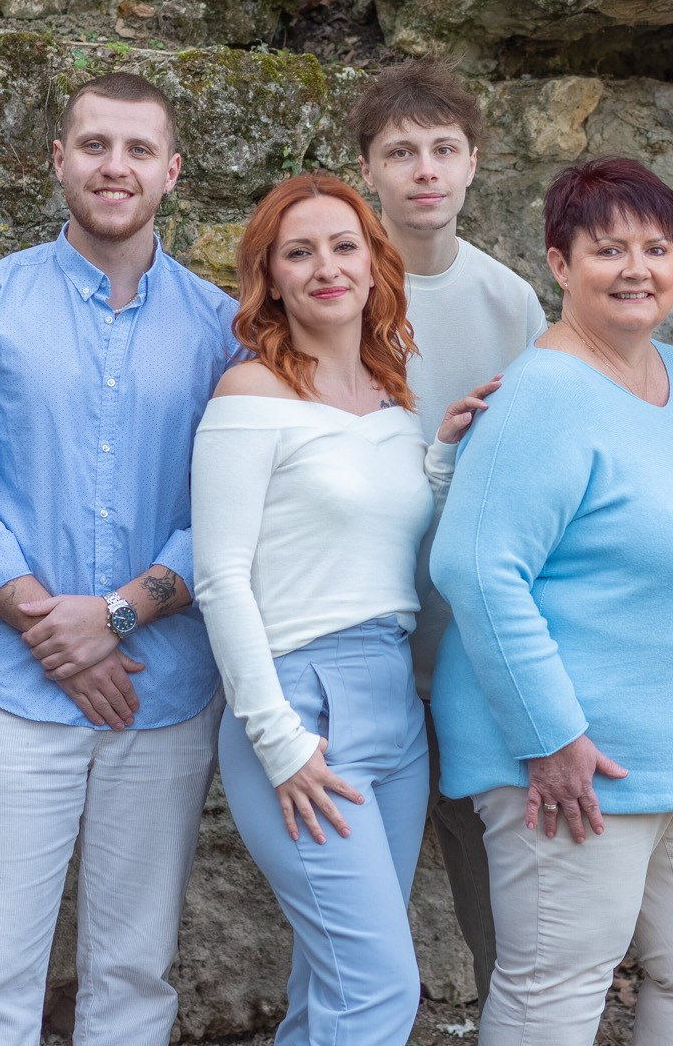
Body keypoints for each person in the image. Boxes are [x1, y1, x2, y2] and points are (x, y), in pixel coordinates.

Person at [0, 72, 238, 1045]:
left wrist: (118, 616)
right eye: (94, 145)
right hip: (14, 691)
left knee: (135, 980)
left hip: (163, 695)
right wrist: (57, 629)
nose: (114, 166)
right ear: (58, 160)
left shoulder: (225, 331)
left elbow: (235, 506)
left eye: (138, 150)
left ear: (170, 173)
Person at [429, 157, 673, 1045]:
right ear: (558, 263)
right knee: (557, 988)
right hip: (575, 765)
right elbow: (476, 568)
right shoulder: (541, 396)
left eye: (656, 247)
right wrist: (548, 737)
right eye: (607, 249)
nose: (637, 268)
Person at [190, 172, 497, 1045]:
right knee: (379, 990)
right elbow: (220, 577)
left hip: (392, 705)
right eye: (299, 251)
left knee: (330, 988)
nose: (325, 265)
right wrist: (278, 737)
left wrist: (437, 459)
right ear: (272, 279)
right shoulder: (248, 397)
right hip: (301, 705)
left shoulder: (391, 398)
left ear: (373, 264)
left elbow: (383, 543)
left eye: (343, 245)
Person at [348, 58, 547, 1008]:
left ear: (473, 164)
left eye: (443, 149)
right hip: (358, 621)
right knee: (362, 866)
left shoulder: (512, 303)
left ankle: (506, 1016)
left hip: (467, 631)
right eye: (400, 151)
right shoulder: (332, 291)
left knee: (487, 858)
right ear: (368, 171)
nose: (424, 169)